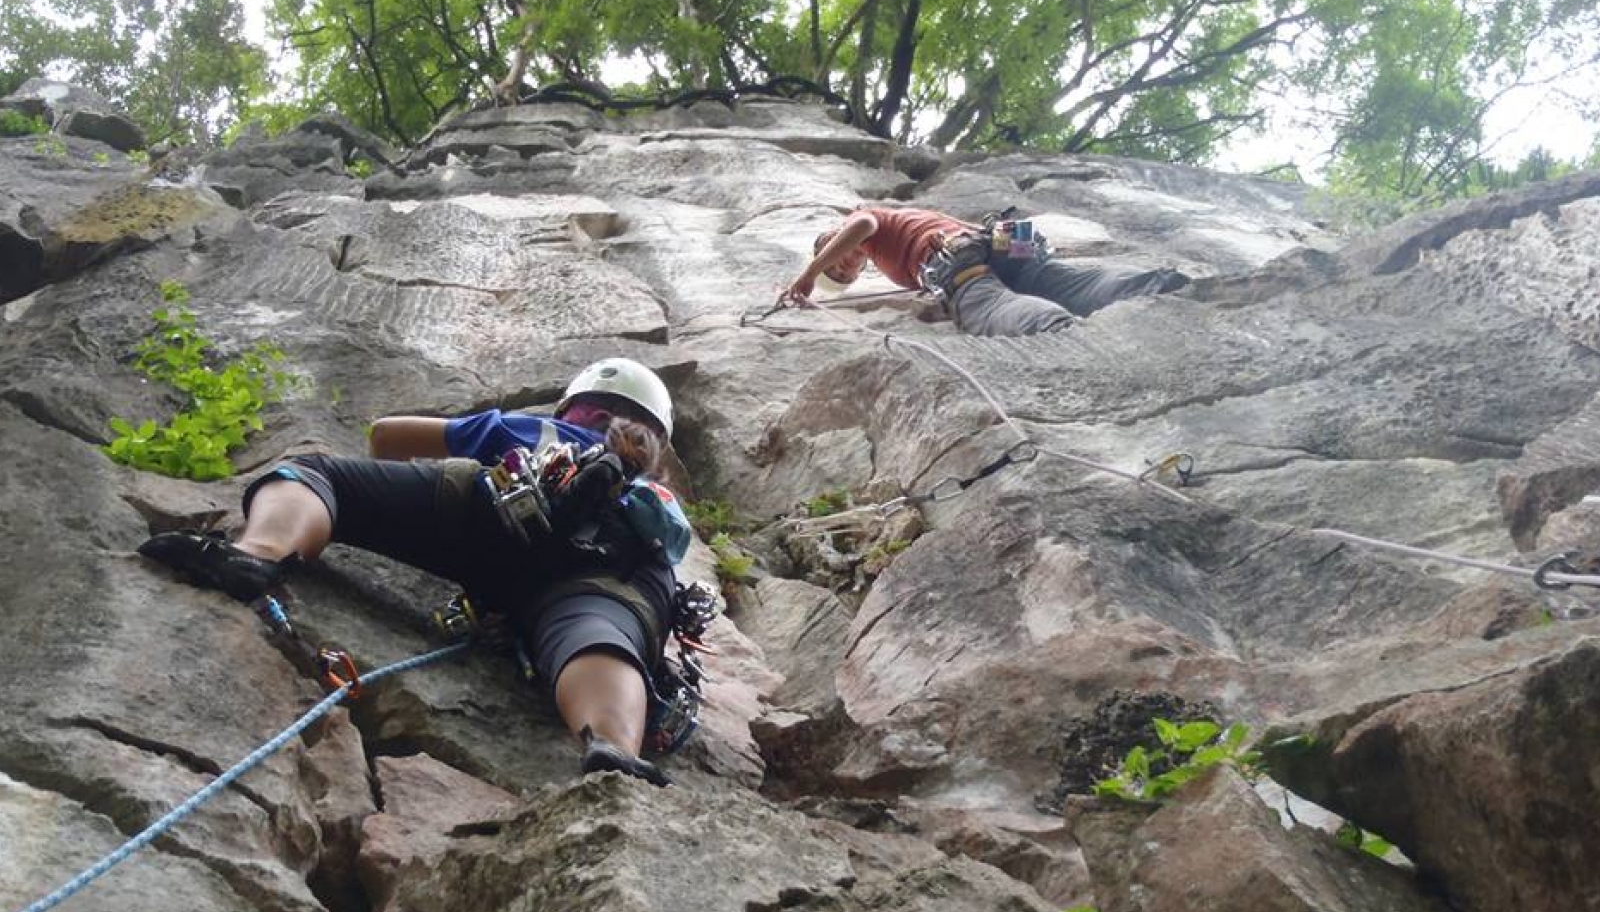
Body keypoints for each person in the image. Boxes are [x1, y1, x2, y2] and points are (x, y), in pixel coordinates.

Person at [138, 358, 693, 787]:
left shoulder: (531, 430)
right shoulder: (658, 497)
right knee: (600, 631)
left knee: (317, 475)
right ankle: (614, 747)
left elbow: (386, 436)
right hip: (613, 565)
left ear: (574, 406)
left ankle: (257, 554)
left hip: (502, 504)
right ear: (657, 440)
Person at [779, 206, 1189, 337]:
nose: (847, 265)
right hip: (998, 239)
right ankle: (1157, 285)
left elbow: (861, 228)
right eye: (844, 275)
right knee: (1051, 279)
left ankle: (1057, 331)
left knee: (987, 306)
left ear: (832, 240)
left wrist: (811, 273)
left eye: (838, 259)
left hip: (953, 256)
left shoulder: (866, 221)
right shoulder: (904, 230)